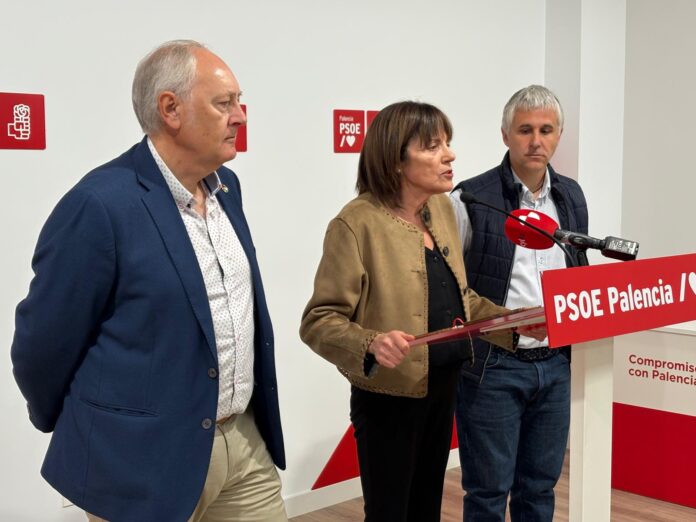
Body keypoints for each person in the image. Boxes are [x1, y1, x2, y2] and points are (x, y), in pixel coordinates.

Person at [11, 40, 286, 522]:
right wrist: (88, 425)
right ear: (170, 109)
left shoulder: (228, 189)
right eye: (224, 103)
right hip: (142, 462)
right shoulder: (100, 204)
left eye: (239, 102)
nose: (240, 116)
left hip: (243, 443)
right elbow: (43, 344)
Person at [300, 101, 539, 522]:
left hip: (444, 386)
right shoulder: (356, 224)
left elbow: (461, 299)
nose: (449, 155)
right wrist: (371, 342)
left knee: (426, 509)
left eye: (447, 143)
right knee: (390, 513)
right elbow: (319, 321)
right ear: (396, 160)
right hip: (389, 399)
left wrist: (515, 322)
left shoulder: (441, 208)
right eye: (433, 146)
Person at [450, 85, 588, 522]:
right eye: (525, 130)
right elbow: (453, 287)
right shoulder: (471, 198)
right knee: (488, 492)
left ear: (559, 135)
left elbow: (578, 270)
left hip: (556, 364)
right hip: (493, 365)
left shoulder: (571, 196)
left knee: (539, 488)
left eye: (546, 130)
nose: (536, 141)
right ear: (505, 135)